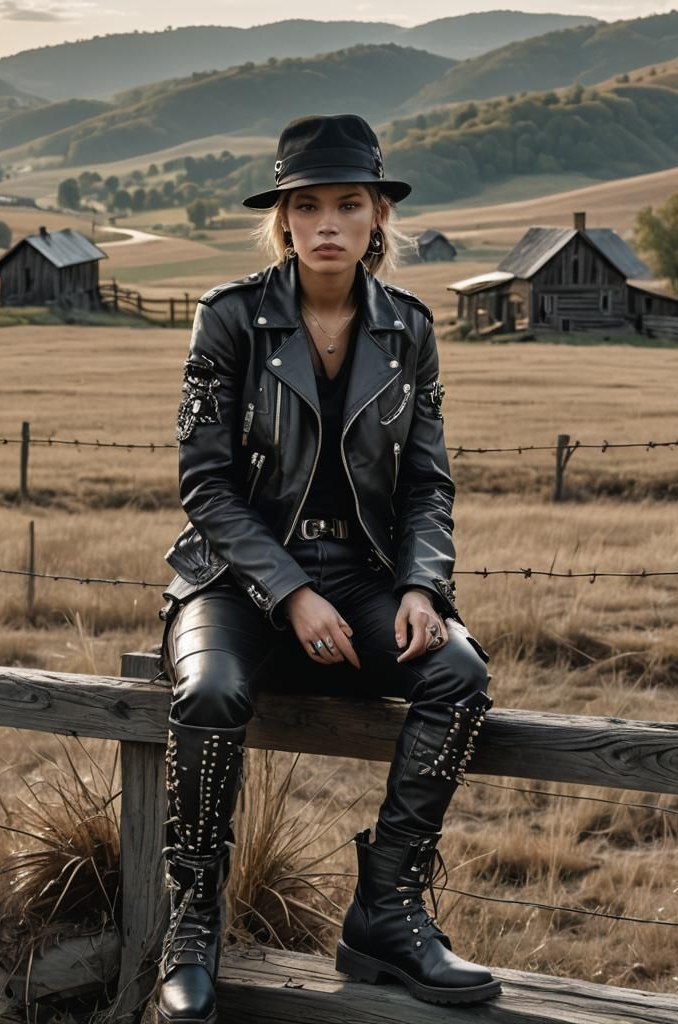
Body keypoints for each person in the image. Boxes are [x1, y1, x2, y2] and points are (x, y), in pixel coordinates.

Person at [153, 113, 503, 1024]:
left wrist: (424, 586)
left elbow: (428, 483)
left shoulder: (410, 330)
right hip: (234, 577)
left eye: (349, 203)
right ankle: (192, 915)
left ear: (379, 213)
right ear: (283, 220)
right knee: (210, 694)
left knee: (460, 676)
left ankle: (387, 910)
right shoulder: (230, 318)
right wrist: (292, 591)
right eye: (306, 206)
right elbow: (207, 486)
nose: (327, 224)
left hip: (367, 576)